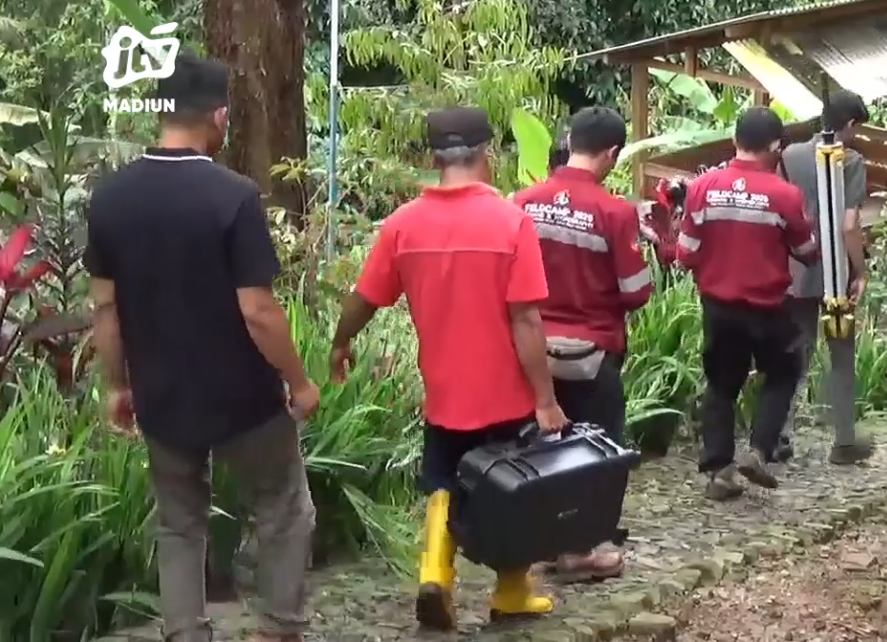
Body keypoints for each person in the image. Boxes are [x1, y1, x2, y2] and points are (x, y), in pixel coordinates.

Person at [85, 53, 319, 642]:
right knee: (283, 508)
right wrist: (298, 380)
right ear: (218, 115)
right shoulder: (233, 195)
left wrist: (118, 385)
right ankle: (280, 628)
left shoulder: (111, 198)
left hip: (163, 397)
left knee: (180, 522)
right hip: (245, 400)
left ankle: (185, 632)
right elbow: (258, 310)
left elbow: (105, 308)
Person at [327, 106, 564, 631]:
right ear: (488, 153)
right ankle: (510, 592)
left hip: (445, 391)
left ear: (433, 157)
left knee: (442, 480)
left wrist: (341, 342)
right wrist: (545, 398)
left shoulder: (402, 225)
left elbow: (364, 298)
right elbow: (526, 319)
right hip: (507, 395)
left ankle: (435, 572)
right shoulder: (511, 222)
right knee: (513, 486)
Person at [513, 106, 650, 582]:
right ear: (612, 154)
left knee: (539, 449)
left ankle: (536, 543)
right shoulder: (615, 212)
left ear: (569, 141)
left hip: (530, 353)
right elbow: (636, 291)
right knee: (597, 449)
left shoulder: (523, 201)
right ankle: (577, 552)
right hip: (592, 353)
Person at [676, 107, 819, 501]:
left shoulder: (703, 187)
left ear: (736, 141)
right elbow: (806, 251)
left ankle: (719, 471)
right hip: (768, 307)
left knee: (721, 386)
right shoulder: (785, 195)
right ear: (776, 146)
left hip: (719, 307)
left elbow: (686, 253)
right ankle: (758, 450)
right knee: (783, 372)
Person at [776, 90, 875, 465]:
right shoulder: (850, 160)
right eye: (856, 129)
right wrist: (859, 270)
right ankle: (844, 440)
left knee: (793, 354)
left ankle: (778, 435)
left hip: (796, 269)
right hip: (834, 273)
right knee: (841, 354)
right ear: (849, 124)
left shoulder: (789, 155)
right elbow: (849, 224)